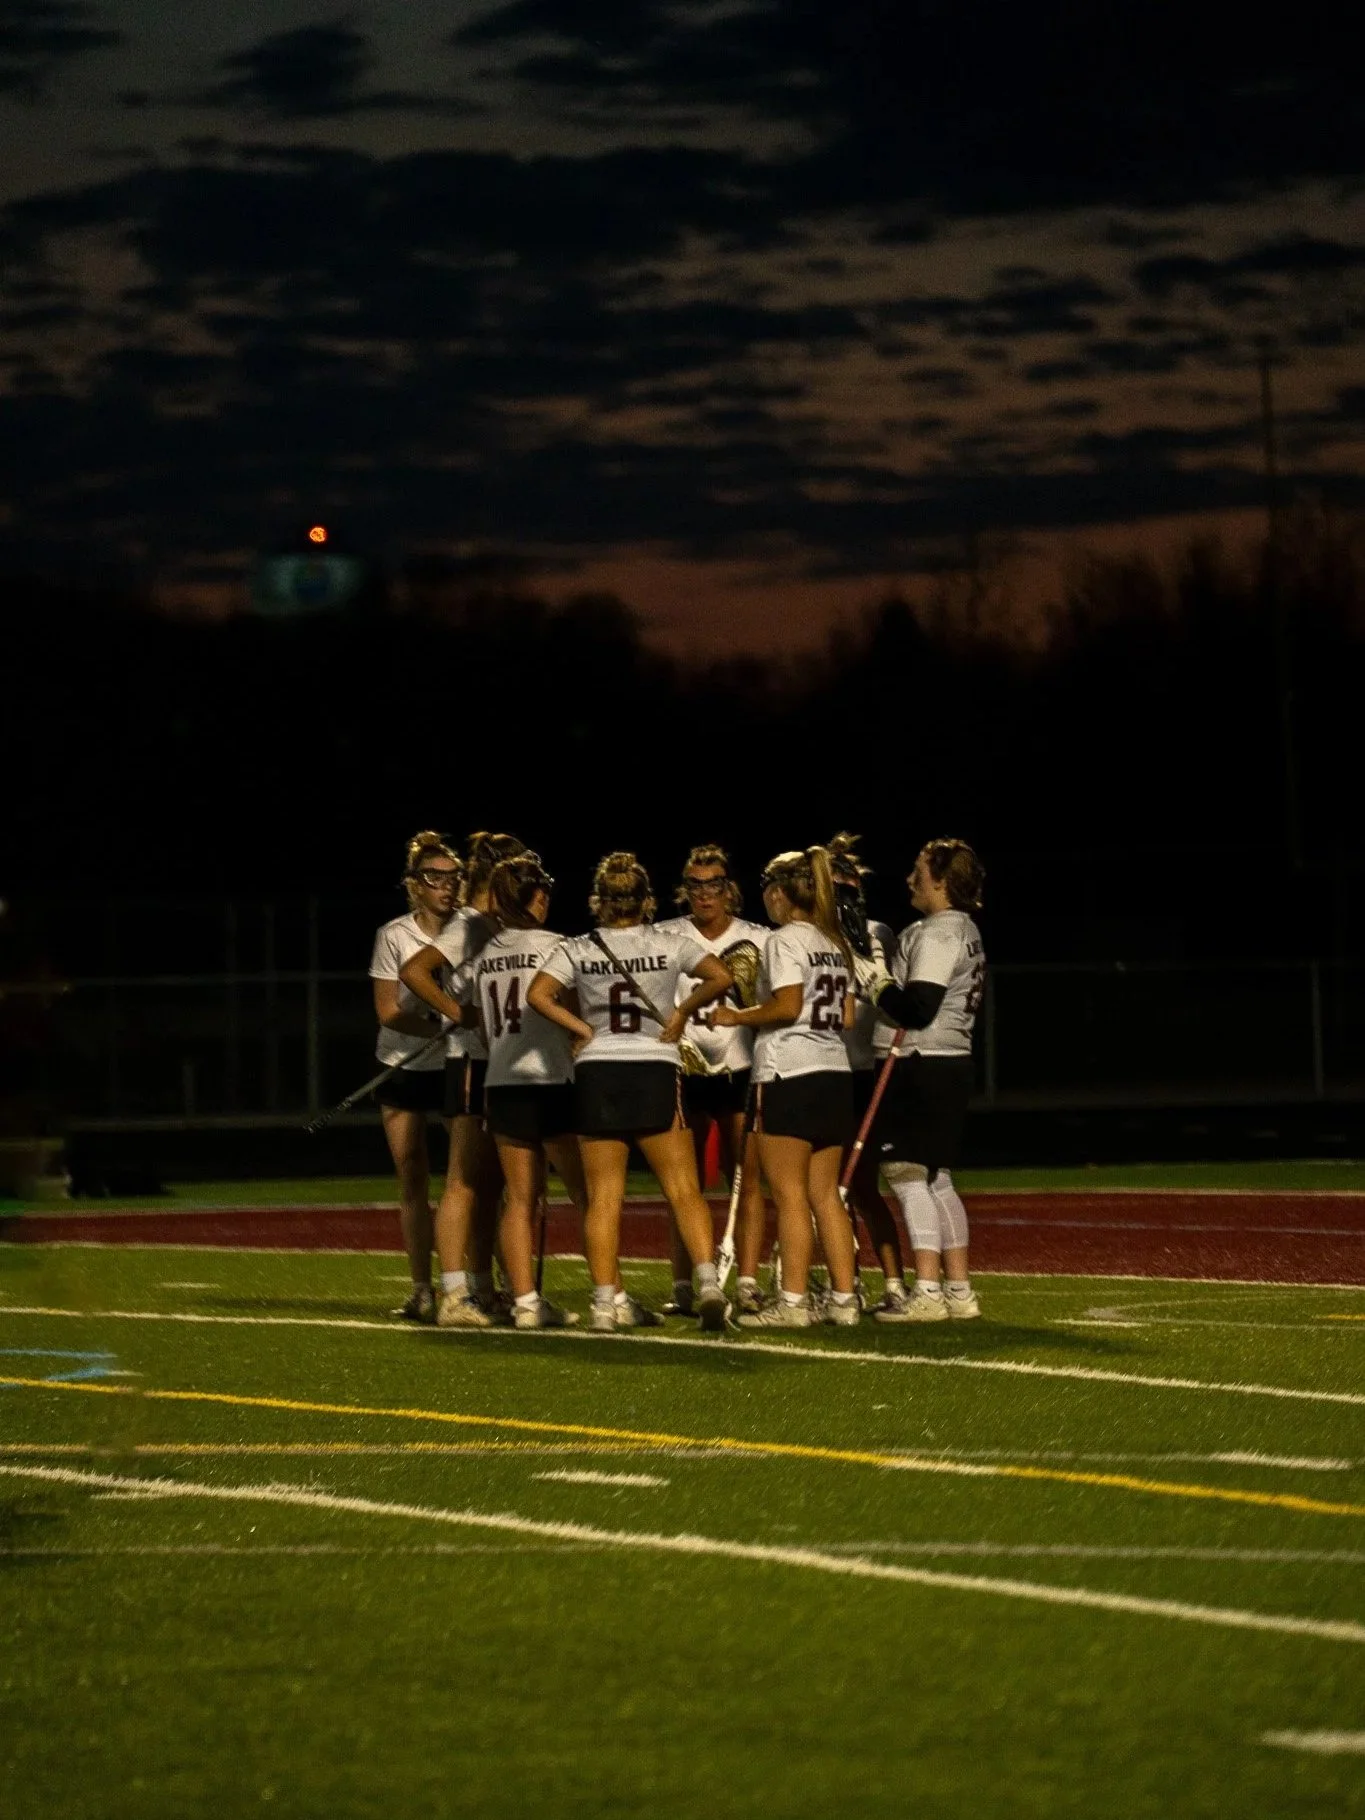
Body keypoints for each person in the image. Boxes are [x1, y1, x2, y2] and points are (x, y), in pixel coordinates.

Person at [526, 851, 734, 1333]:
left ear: (599, 900)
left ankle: (604, 1304)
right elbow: (721, 976)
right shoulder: (670, 942)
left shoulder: (578, 948)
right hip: (654, 1066)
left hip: (599, 1070)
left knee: (603, 1198)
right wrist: (682, 1014)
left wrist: (581, 1028)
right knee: (683, 1188)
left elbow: (538, 995)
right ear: (646, 900)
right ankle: (708, 1284)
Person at [709, 846, 860, 1328]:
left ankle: (792, 1302)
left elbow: (789, 1006)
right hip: (834, 1073)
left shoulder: (783, 940)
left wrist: (736, 1016)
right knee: (826, 1196)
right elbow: (848, 1016)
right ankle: (844, 1300)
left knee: (790, 1196)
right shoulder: (835, 942)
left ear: (778, 893)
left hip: (788, 1073)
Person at [400, 831, 527, 1327]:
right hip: (470, 1062)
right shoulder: (470, 923)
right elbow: (415, 971)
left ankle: (480, 1287)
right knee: (463, 1180)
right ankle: (454, 1294)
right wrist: (457, 1012)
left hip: (492, 1063)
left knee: (491, 1185)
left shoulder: (492, 923)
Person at [858, 840, 987, 1323]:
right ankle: (958, 1289)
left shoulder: (938, 932)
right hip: (947, 1060)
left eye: (919, 870)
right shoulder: (960, 928)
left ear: (941, 879)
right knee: (937, 1177)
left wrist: (875, 982)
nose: (910, 879)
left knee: (906, 1172)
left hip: (920, 1060)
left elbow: (917, 1008)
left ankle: (929, 1290)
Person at [654, 844, 770, 1317]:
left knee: (746, 1179)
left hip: (740, 1065)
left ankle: (747, 1282)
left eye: (714, 884)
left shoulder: (758, 938)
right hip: (684, 1066)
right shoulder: (665, 935)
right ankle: (685, 1283)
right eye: (696, 885)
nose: (705, 894)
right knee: (682, 1182)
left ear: (729, 888)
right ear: (685, 889)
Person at [368, 832, 461, 1322]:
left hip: (454, 1066)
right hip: (403, 1065)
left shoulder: (471, 930)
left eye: (452, 877)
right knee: (412, 1178)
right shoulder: (395, 935)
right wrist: (439, 1025)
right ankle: (421, 1289)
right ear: (415, 884)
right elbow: (388, 1011)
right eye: (434, 877)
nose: (446, 886)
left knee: (469, 1178)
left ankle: (479, 1285)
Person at [826, 832, 909, 1314]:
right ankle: (845, 1281)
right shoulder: (808, 936)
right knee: (824, 1189)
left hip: (861, 1071)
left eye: (850, 889)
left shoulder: (876, 934)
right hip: (821, 1070)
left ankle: (894, 1283)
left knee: (862, 1187)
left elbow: (887, 995)